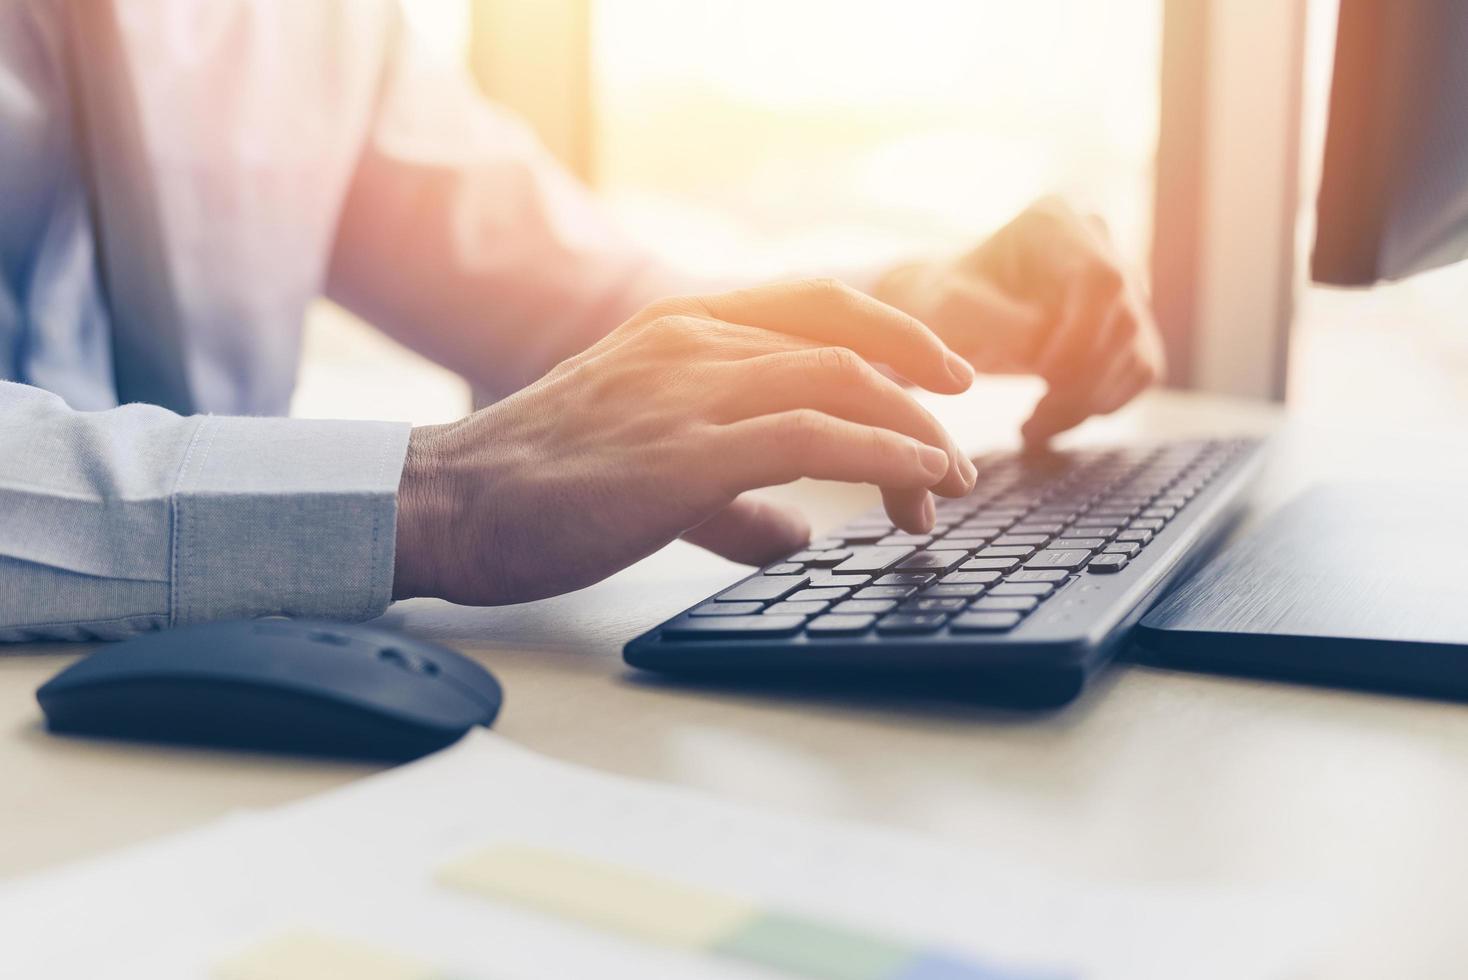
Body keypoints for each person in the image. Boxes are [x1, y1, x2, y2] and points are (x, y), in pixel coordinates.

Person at [0, 0, 1162, 641]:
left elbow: (584, 320)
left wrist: (913, 310)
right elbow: (507, 453)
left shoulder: (311, 25)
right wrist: (434, 497)